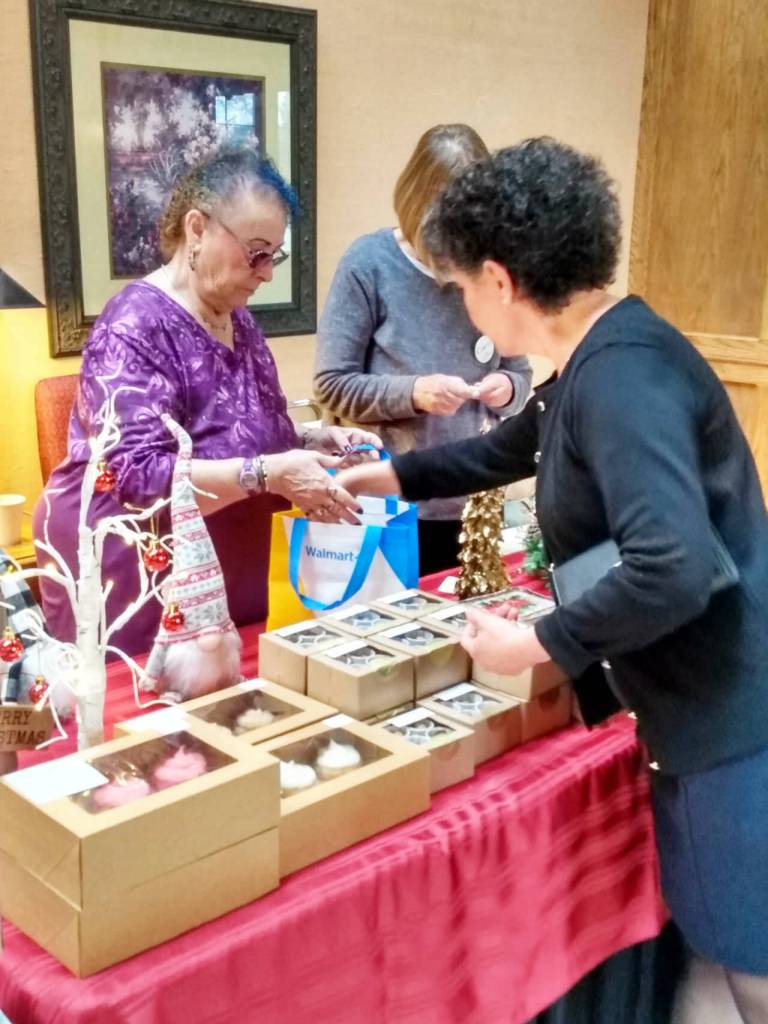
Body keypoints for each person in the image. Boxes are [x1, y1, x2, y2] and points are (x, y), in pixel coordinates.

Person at [336, 138, 768, 1023]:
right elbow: (513, 447)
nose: (460, 299)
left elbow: (673, 563)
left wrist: (536, 640)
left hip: (733, 716)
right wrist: (385, 478)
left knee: (752, 963)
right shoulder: (597, 353)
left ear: (499, 278)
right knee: (709, 946)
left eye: (460, 284)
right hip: (692, 710)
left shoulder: (623, 377)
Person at [34, 146, 379, 657]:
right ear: (196, 229)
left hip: (226, 574)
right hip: (139, 575)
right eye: (256, 251)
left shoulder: (236, 317)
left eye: (275, 256)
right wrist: (269, 473)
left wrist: (313, 438)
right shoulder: (133, 325)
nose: (266, 273)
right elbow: (135, 477)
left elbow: (249, 428)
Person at [313, 124, 532, 575]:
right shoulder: (369, 264)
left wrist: (507, 388)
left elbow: (520, 372)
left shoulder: (492, 266)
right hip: (390, 508)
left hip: (475, 505)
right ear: (418, 207)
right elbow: (331, 386)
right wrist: (415, 393)